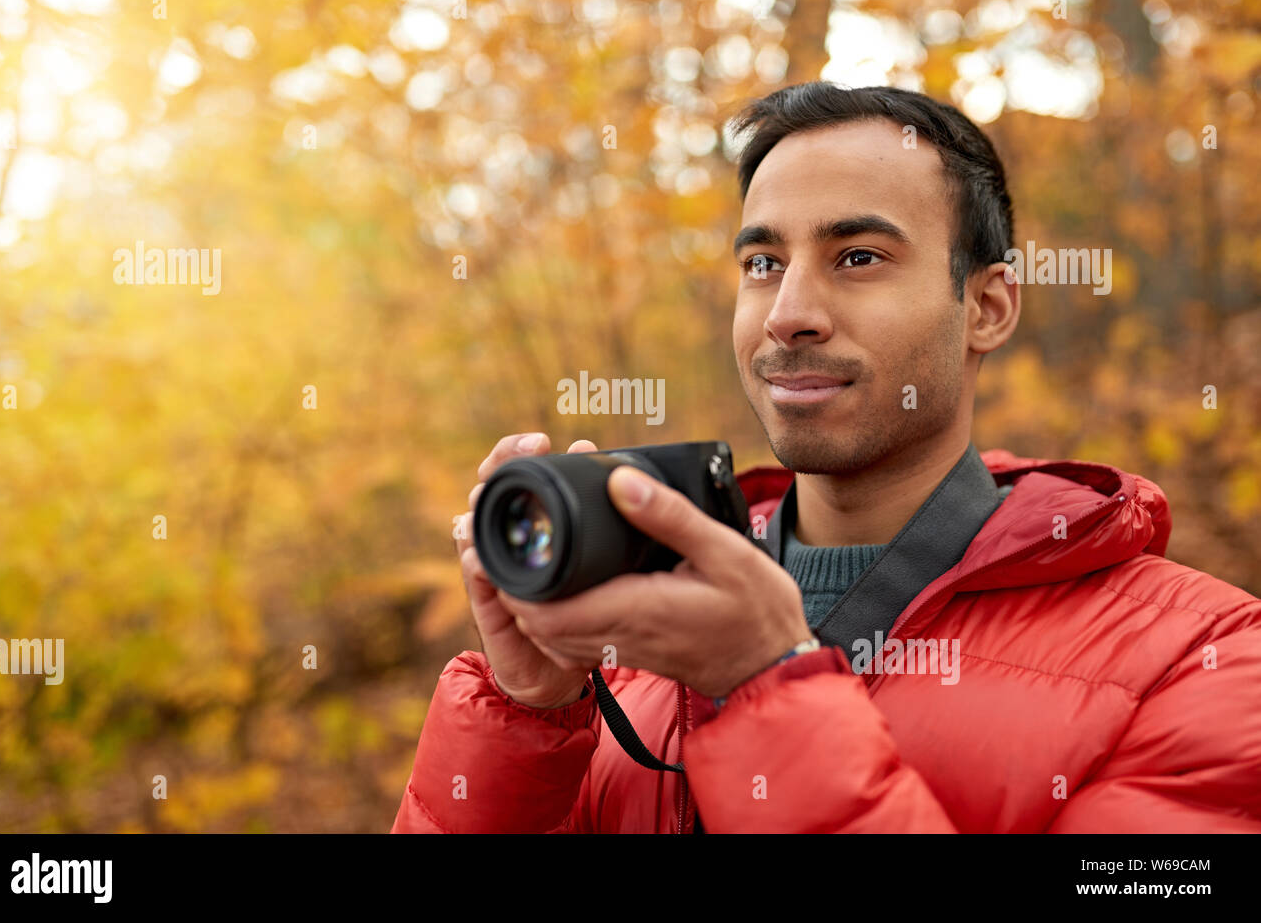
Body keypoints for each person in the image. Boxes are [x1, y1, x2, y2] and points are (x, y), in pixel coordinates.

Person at [391, 81, 1261, 833]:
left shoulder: (1206, 660)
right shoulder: (640, 633)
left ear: (988, 307)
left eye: (857, 256)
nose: (789, 312)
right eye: (763, 261)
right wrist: (528, 718)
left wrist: (763, 686)